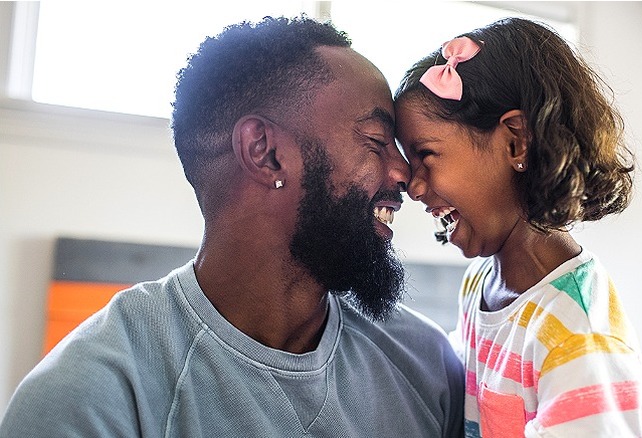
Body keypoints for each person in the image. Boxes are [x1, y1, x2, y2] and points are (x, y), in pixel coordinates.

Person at [0, 17, 464, 437]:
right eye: (376, 142)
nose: (405, 174)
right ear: (265, 152)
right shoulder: (88, 401)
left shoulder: (426, 363)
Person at [394, 17, 642, 437]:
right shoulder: (479, 284)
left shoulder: (576, 332)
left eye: (425, 155)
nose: (413, 184)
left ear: (516, 141)